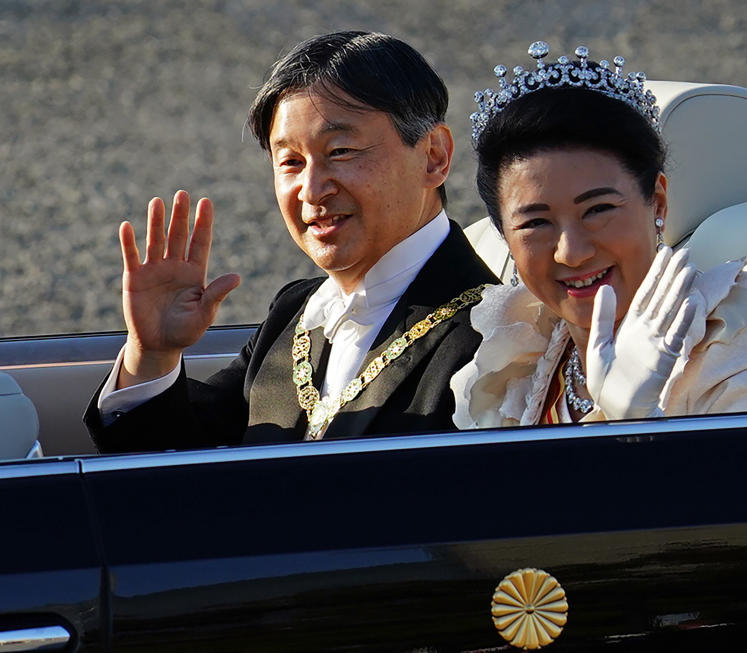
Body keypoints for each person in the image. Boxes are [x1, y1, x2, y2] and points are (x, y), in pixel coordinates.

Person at [84, 31, 497, 451]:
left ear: (434, 156)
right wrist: (153, 353)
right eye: (291, 162)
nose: (312, 190)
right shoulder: (294, 311)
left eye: (341, 151)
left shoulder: (495, 334)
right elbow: (180, 469)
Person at [451, 42, 747, 428]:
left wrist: (639, 424)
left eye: (598, 210)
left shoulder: (740, 344)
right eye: (536, 223)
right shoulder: (518, 350)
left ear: (656, 203)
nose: (571, 253)